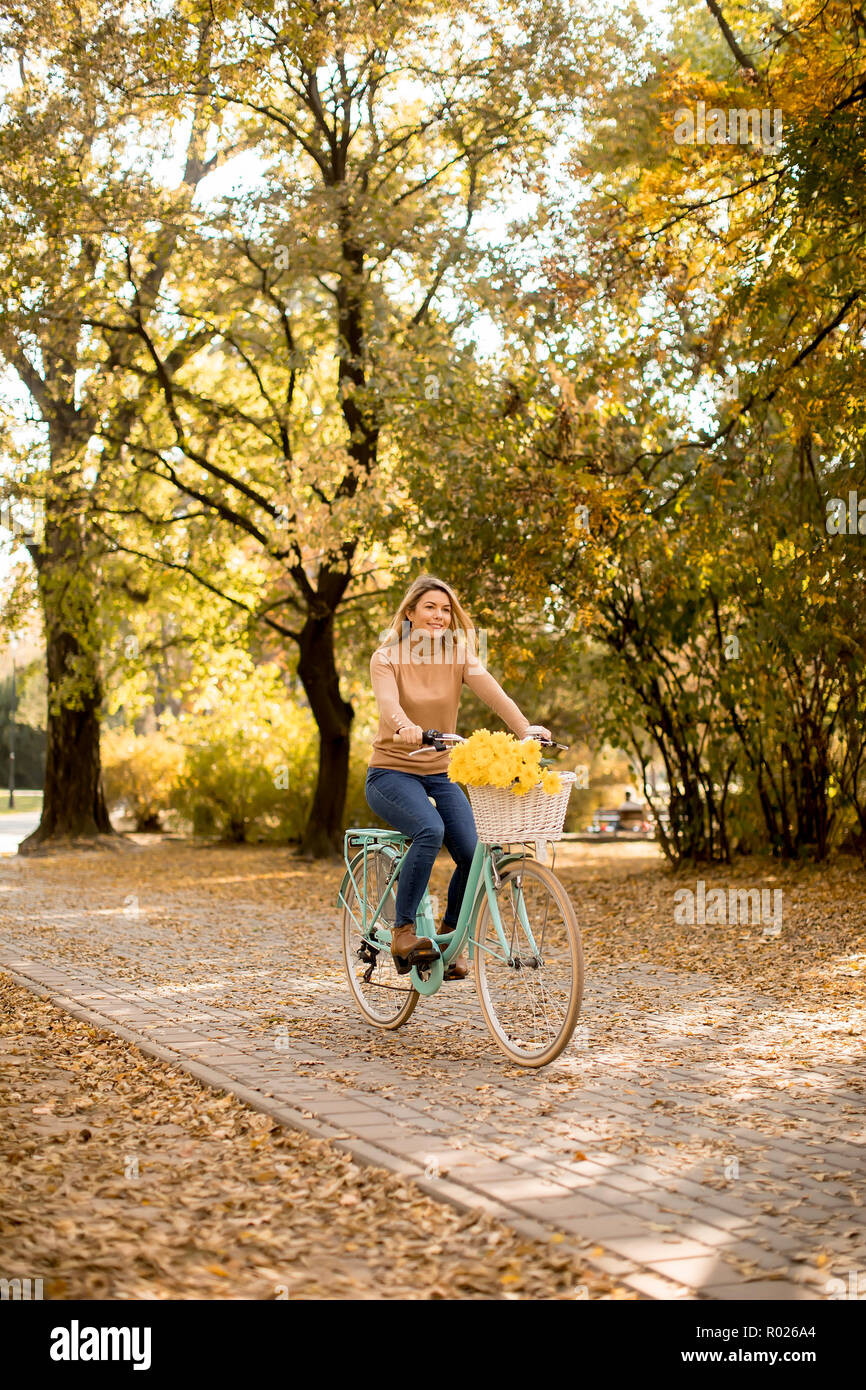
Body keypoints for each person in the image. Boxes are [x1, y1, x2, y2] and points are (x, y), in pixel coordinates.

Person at [365, 575, 550, 980]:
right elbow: (388, 704)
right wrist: (405, 727)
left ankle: (450, 938)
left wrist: (525, 729)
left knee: (473, 849)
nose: (439, 616)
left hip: (441, 773)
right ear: (411, 613)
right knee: (430, 829)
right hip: (391, 773)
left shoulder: (458, 654)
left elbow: (494, 694)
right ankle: (403, 931)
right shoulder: (387, 657)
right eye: (430, 607)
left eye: (446, 609)